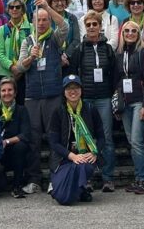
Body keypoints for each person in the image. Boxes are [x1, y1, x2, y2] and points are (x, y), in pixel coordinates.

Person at [16, 0, 69, 193]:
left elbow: (65, 27)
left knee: (55, 137)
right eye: (38, 20)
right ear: (33, 21)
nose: (41, 23)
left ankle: (55, 177)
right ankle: (34, 179)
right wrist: (31, 56)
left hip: (53, 94)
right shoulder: (27, 41)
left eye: (45, 20)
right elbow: (20, 67)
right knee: (34, 139)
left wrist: (47, 6)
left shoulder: (54, 38)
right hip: (32, 96)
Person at [65, 10, 117, 192]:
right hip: (85, 99)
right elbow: (73, 73)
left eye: (95, 24)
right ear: (85, 27)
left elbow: (114, 73)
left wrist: (111, 93)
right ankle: (85, 177)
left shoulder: (108, 48)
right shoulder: (79, 49)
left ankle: (107, 178)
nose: (92, 27)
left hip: (103, 97)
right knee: (82, 139)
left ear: (100, 26)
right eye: (89, 25)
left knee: (107, 138)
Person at [45, 76, 106, 205]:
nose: (73, 91)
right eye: (69, 88)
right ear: (64, 91)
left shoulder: (90, 109)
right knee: (62, 198)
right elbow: (53, 142)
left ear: (81, 90)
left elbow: (101, 136)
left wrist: (95, 152)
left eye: (76, 88)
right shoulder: (58, 111)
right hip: (64, 157)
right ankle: (78, 188)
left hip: (84, 155)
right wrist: (72, 156)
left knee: (85, 167)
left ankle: (80, 188)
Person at [112, 20, 144, 194]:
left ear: (138, 34)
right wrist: (116, 106)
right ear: (122, 33)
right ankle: (138, 177)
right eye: (126, 30)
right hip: (125, 103)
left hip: (138, 102)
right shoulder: (118, 54)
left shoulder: (143, 53)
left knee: (136, 141)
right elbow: (116, 80)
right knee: (132, 142)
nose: (130, 33)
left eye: (133, 31)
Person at [0, 78, 31, 198]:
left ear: (15, 93)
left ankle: (17, 186)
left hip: (13, 152)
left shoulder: (22, 110)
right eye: (3, 90)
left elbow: (25, 134)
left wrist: (7, 141)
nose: (7, 93)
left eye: (10, 90)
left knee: (21, 146)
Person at [0, 0, 30, 96]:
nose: (14, 9)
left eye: (18, 7)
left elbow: (32, 50)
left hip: (26, 73)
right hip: (5, 73)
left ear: (23, 10)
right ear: (8, 10)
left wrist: (21, 68)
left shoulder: (31, 28)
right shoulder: (2, 29)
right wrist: (12, 67)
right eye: (11, 7)